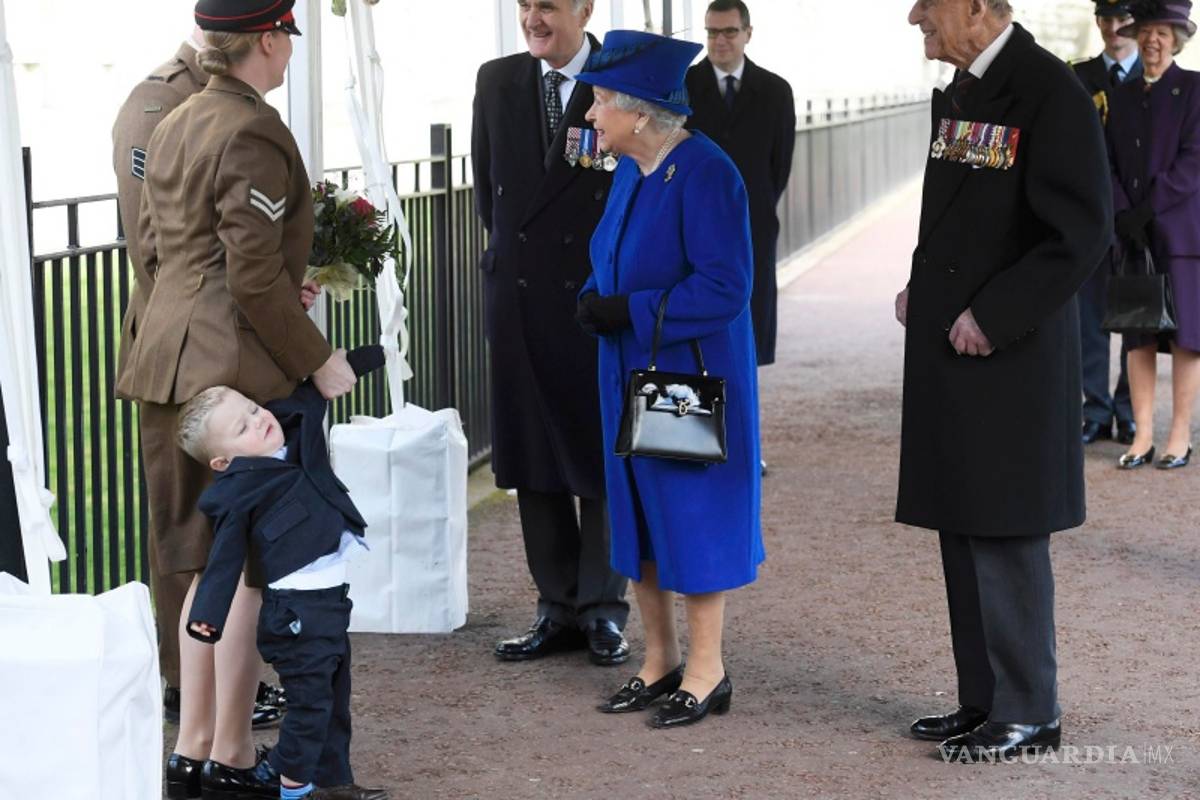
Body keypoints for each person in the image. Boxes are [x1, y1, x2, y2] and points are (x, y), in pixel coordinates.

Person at [114, 1, 355, 797]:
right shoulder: (253, 130)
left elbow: (154, 249)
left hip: (166, 363)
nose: (290, 51)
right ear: (264, 38)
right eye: (288, 36)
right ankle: (232, 758)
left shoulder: (177, 117)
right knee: (248, 570)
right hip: (233, 374)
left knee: (189, 561)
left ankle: (191, 754)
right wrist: (317, 359)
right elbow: (251, 277)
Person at [897, 0, 1111, 761]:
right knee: (964, 521)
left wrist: (991, 312)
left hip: (1007, 353)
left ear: (983, 8)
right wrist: (923, 288)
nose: (915, 13)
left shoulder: (1047, 91)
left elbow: (1082, 231)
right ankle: (983, 698)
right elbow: (965, 216)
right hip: (954, 346)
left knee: (1006, 530)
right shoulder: (965, 87)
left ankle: (1030, 709)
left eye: (932, 2)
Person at [575, 29, 764, 729]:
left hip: (689, 374)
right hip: (624, 364)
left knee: (692, 513)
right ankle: (658, 661)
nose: (591, 115)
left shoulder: (709, 172)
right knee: (637, 511)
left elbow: (725, 288)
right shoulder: (629, 167)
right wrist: (596, 295)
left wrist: (632, 309)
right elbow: (613, 253)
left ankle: (708, 671)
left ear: (642, 111)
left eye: (600, 102)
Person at [111, 23, 285, 732]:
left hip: (220, 345)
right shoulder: (160, 101)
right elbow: (151, 247)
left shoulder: (224, 97)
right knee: (189, 534)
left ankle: (224, 691)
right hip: (187, 351)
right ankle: (188, 689)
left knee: (231, 534)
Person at [472, 0, 630, 667]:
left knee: (598, 453)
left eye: (548, 6)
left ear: (585, 7)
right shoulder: (498, 79)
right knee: (532, 457)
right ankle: (554, 605)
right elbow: (488, 191)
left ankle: (602, 608)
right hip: (520, 296)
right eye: (525, 5)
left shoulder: (621, 79)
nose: (533, 18)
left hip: (591, 296)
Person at [181, 346, 388, 800]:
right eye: (243, 427)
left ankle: (333, 780)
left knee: (334, 698)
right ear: (223, 462)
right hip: (293, 612)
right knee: (310, 704)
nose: (259, 420)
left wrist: (366, 357)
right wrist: (208, 617)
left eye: (253, 409)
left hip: (330, 602)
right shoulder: (237, 492)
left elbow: (315, 391)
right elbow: (224, 561)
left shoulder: (289, 427)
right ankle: (283, 781)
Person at [1106, 0, 1200, 471]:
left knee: (1187, 336)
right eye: (1146, 31)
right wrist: (1125, 212)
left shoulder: (1196, 89)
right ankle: (1142, 435)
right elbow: (1107, 162)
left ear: (1177, 39)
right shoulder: (1120, 95)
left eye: (1163, 32)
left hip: (1182, 234)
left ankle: (1179, 434)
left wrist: (1149, 207)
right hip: (1134, 236)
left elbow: (1194, 161)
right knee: (1138, 334)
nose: (1153, 40)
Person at [685, 0, 795, 369]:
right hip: (693, 220)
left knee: (753, 314)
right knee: (699, 321)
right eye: (712, 32)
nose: (720, 41)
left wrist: (756, 202)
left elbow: (780, 166)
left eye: (729, 31)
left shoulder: (777, 91)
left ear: (747, 33)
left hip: (754, 217)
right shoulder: (683, 86)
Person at [1073, 0, 1142, 446]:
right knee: (1089, 318)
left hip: (1139, 218)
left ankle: (1129, 410)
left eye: (1123, 20)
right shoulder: (1077, 77)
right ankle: (1095, 410)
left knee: (1139, 316)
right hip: (1090, 216)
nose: (1113, 28)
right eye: (1106, 18)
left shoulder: (1155, 74)